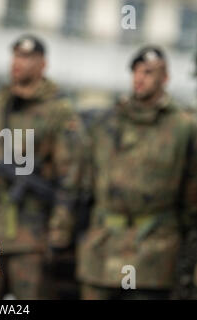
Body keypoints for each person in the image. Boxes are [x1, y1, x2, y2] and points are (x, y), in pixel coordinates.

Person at [76, 46, 197, 300]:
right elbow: (82, 182)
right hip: (102, 248)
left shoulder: (183, 127)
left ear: (165, 78)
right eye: (136, 72)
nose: (140, 78)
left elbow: (191, 194)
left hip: (154, 251)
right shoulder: (107, 122)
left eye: (149, 72)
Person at [0, 35, 82, 300]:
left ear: (43, 64)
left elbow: (71, 178)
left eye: (27, 57)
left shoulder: (58, 111)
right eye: (16, 55)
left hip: (32, 235)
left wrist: (59, 232)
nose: (19, 62)